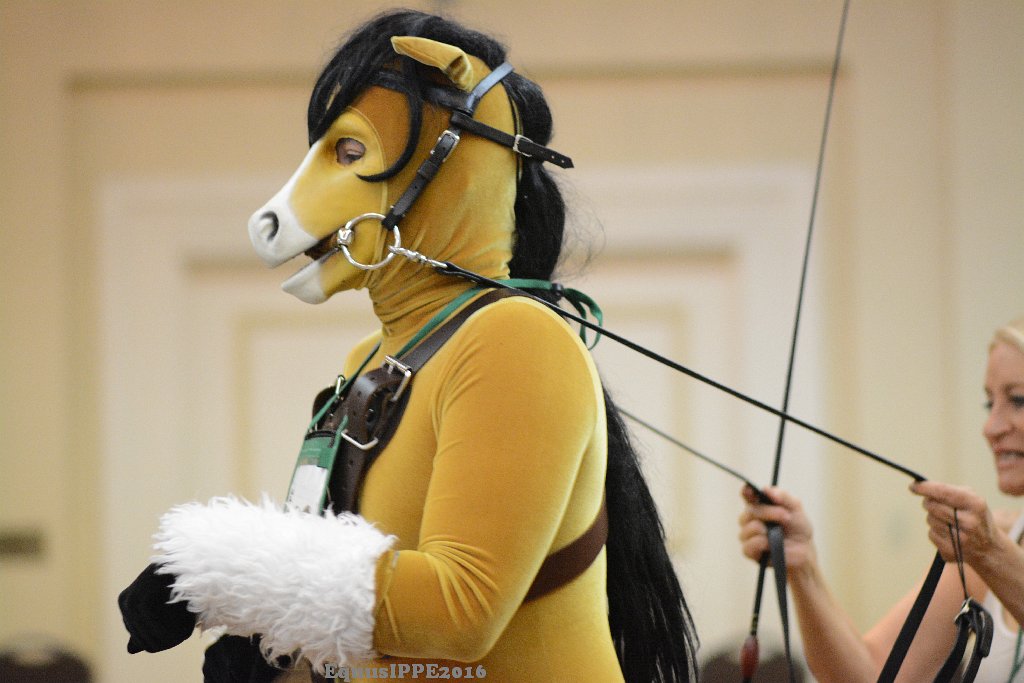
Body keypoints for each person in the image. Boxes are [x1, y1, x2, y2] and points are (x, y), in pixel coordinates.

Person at [117, 10, 697, 682]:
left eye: (351, 151)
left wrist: (220, 566)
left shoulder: (514, 338)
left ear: (452, 164)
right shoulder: (368, 360)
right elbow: (373, 608)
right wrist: (277, 645)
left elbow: (459, 610)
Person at [738, 317, 1024, 682]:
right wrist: (801, 566)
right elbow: (873, 675)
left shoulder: (987, 548)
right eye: (989, 403)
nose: (991, 427)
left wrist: (992, 554)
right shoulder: (987, 546)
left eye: (1018, 400)